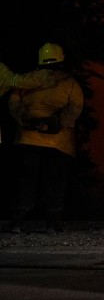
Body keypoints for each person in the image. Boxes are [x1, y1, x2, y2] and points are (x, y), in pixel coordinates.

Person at [2, 43, 83, 235]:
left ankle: (16, 222)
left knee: (26, 180)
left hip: (27, 140)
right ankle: (52, 224)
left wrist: (26, 119)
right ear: (60, 60)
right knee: (54, 180)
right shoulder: (69, 82)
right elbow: (76, 107)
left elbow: (13, 104)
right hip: (59, 143)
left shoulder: (26, 81)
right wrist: (57, 121)